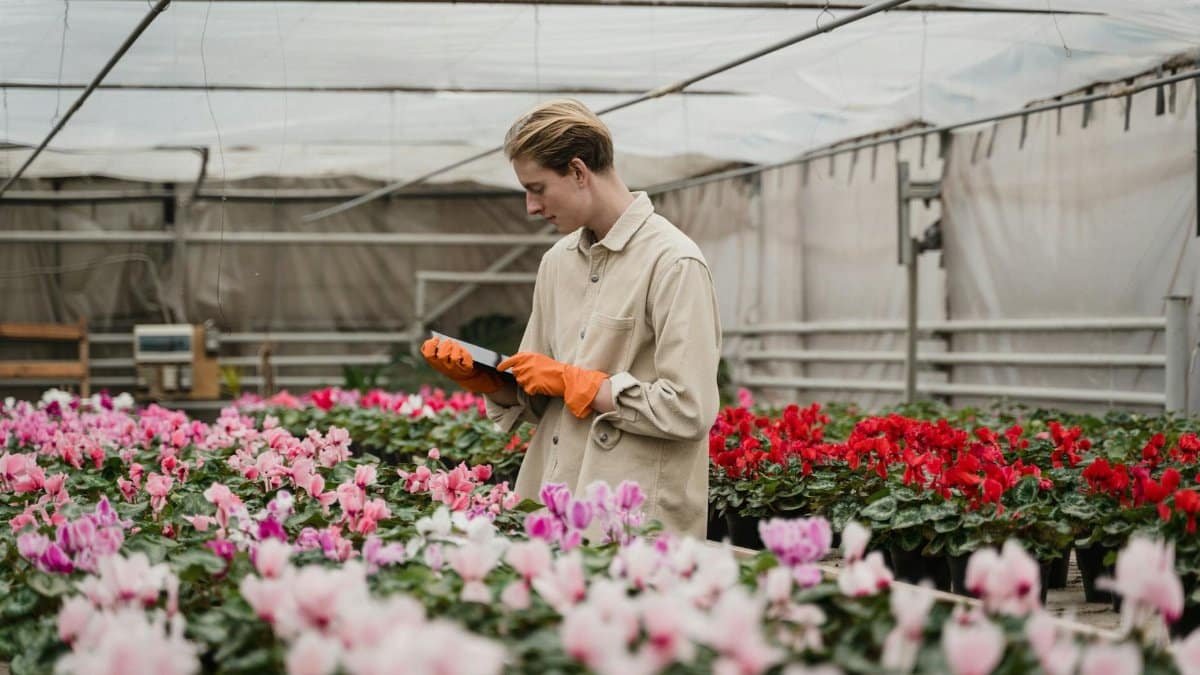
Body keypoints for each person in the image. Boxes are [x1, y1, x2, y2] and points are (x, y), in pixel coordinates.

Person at [421, 99, 721, 537]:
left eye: (537, 188)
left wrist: (582, 383)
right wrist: (495, 383)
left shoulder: (673, 262)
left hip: (634, 524)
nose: (531, 207)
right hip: (554, 501)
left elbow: (690, 410)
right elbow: (547, 392)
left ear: (579, 172)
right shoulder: (557, 262)